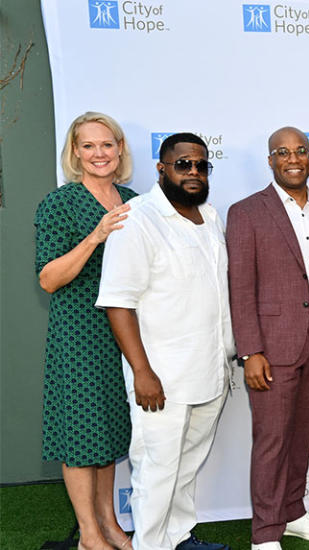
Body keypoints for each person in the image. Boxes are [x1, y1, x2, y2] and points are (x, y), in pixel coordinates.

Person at [96, 133, 233, 550]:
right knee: (156, 470)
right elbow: (118, 302)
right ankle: (152, 545)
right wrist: (142, 372)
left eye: (201, 166)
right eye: (183, 165)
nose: (193, 173)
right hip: (161, 377)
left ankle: (179, 537)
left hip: (210, 370)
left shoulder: (209, 216)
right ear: (162, 168)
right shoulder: (136, 219)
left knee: (186, 466)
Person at [226, 127, 309, 550]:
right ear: (270, 160)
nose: (294, 158)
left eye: (302, 151)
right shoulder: (247, 212)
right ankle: (265, 532)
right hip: (271, 345)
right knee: (272, 440)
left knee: (302, 433)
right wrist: (251, 350)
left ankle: (293, 511)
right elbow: (241, 287)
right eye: (283, 152)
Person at [35, 112, 137, 550]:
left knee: (109, 431)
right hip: (78, 335)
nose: (99, 153)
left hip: (125, 334)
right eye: (89, 145)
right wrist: (95, 236)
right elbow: (48, 279)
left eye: (107, 144)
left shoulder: (134, 200)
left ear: (120, 149)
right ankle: (90, 535)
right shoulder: (59, 203)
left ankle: (110, 522)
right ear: (75, 152)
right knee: (80, 432)